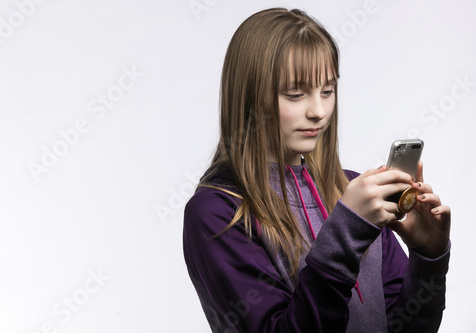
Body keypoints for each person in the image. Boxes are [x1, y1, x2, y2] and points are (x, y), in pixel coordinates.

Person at [183, 7, 450, 333]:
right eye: (296, 94)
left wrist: (428, 259)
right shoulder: (217, 212)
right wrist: (347, 231)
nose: (319, 111)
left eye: (327, 90)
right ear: (250, 98)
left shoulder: (353, 190)